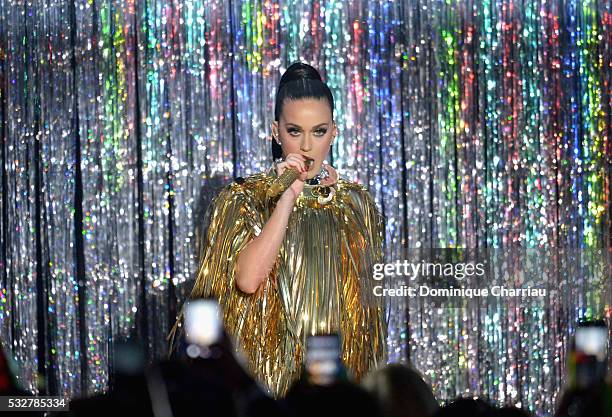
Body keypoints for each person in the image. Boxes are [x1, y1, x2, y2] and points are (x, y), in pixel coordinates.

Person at [168, 62, 387, 397]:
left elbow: (367, 315)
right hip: (271, 383)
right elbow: (248, 279)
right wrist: (287, 196)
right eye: (295, 131)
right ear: (276, 131)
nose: (307, 146)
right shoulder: (244, 198)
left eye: (319, 131)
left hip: (338, 381)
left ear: (334, 132)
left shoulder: (357, 204)